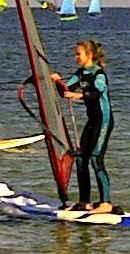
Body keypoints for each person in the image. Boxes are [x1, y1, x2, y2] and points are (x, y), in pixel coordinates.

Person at [50, 39, 119, 214]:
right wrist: (57, 81)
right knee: (81, 159)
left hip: (103, 121)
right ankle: (84, 201)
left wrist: (78, 95)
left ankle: (106, 203)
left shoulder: (99, 74)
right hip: (91, 122)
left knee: (96, 159)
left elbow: (95, 94)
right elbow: (66, 91)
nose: (75, 57)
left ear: (89, 55)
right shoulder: (80, 74)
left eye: (78, 54)